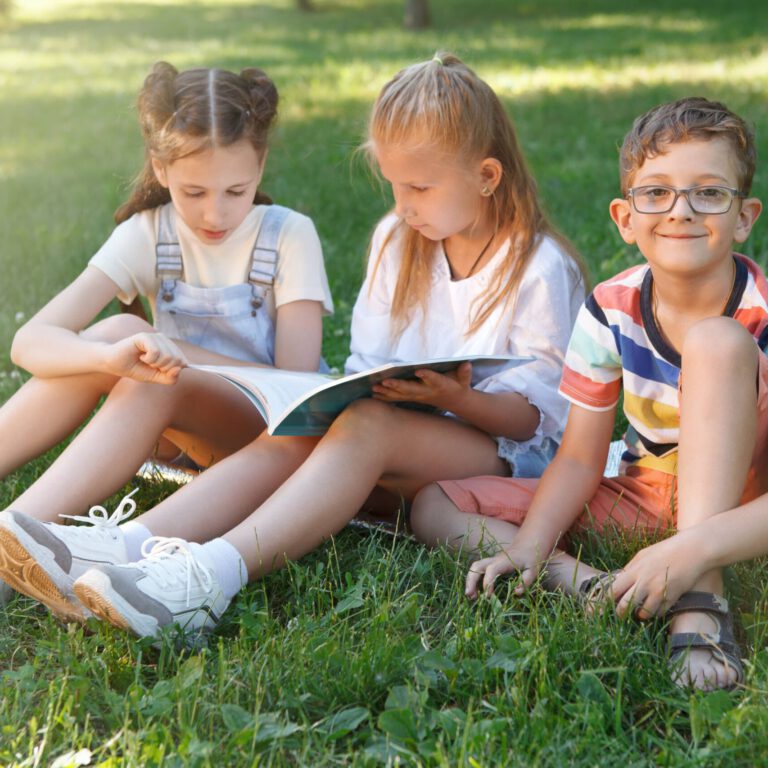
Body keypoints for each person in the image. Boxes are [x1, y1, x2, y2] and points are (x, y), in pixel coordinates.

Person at [0, 53, 585, 640]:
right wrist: (396, 389)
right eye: (393, 185)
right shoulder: (397, 240)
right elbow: (364, 367)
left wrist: (456, 395)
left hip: (496, 455)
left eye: (420, 188)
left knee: (364, 422)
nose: (402, 205)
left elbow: (537, 422)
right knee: (311, 423)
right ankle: (125, 548)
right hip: (395, 433)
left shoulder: (539, 267)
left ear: (486, 176)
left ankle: (206, 577)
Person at [409, 97, 768, 692]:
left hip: (747, 497)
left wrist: (689, 548)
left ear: (745, 216)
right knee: (433, 505)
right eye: (656, 193)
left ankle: (698, 597)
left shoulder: (761, 311)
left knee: (716, 343)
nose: (680, 210)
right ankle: (596, 586)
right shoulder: (611, 308)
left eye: (709, 193)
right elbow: (578, 457)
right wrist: (530, 546)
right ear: (625, 219)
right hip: (647, 495)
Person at [0, 63, 332, 551]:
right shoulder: (150, 233)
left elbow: (295, 393)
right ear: (161, 169)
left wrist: (176, 354)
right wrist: (105, 360)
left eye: (235, 192)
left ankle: (15, 535)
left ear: (259, 167)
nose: (215, 214)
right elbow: (28, 343)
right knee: (119, 342)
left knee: (153, 367)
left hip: (266, 438)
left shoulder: (288, 234)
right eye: (193, 192)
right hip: (174, 432)